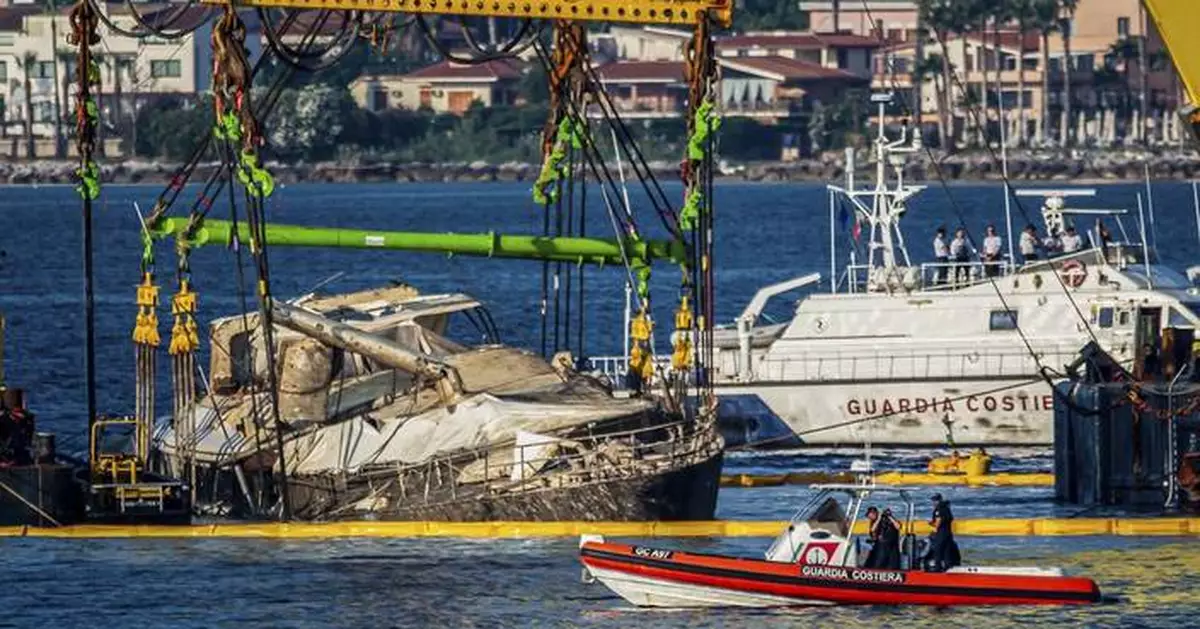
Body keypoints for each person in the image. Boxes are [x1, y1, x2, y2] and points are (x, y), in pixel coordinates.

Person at [924, 493, 961, 572]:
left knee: (938, 550)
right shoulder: (947, 508)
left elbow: (938, 523)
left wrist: (930, 523)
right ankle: (948, 567)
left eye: (934, 500)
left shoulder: (939, 509)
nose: (934, 502)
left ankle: (938, 569)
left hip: (941, 533)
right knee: (946, 551)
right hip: (948, 533)